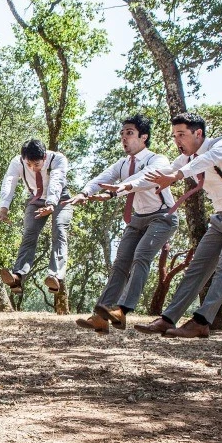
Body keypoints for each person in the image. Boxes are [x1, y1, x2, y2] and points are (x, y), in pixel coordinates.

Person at [134, 112, 222, 338]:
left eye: (181, 134)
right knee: (197, 268)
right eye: (174, 135)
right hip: (220, 219)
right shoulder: (185, 160)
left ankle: (201, 321)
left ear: (198, 133)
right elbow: (155, 175)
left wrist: (178, 175)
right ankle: (167, 319)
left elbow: (206, 160)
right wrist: (120, 189)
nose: (177, 141)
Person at [70, 114, 177, 333]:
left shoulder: (158, 160)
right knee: (120, 263)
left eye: (129, 133)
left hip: (163, 217)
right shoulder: (122, 164)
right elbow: (103, 177)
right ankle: (101, 316)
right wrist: (84, 192)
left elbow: (144, 180)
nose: (124, 139)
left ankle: (122, 309)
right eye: (122, 134)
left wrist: (117, 191)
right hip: (138, 219)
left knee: (141, 256)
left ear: (144, 137)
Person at [0, 139, 73, 295]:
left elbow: (57, 179)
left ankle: (55, 276)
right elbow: (9, 181)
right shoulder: (17, 162)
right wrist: (4, 208)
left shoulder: (58, 159)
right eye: (29, 165)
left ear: (44, 157)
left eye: (37, 165)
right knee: (29, 233)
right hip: (36, 199)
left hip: (60, 198)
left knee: (59, 230)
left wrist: (50, 203)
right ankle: (18, 276)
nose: (33, 169)